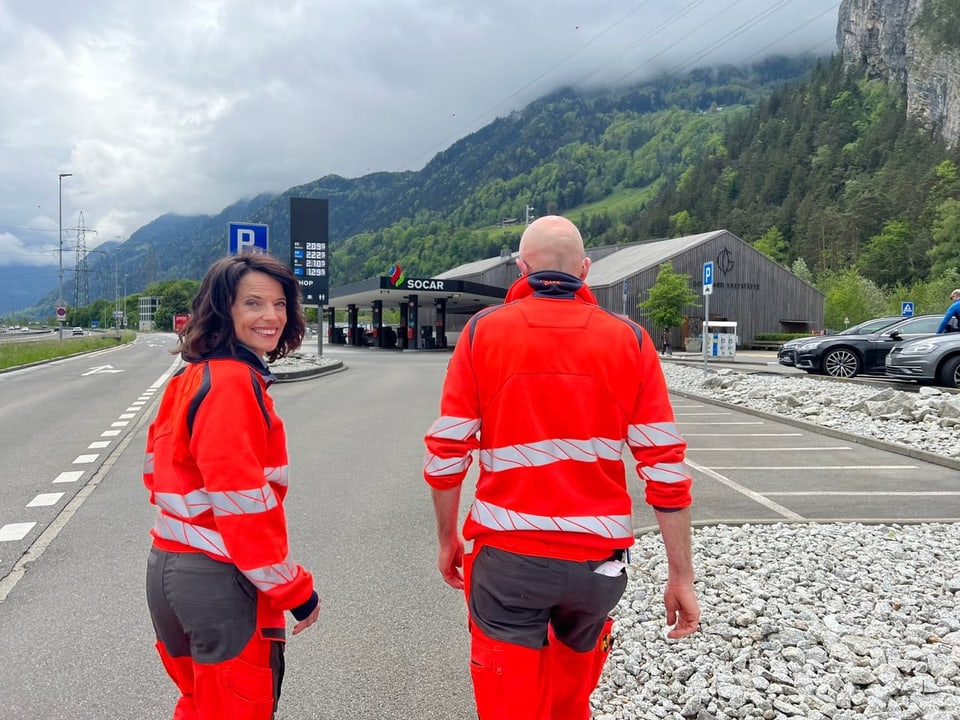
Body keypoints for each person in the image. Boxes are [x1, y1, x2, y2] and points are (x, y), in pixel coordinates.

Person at [423, 216, 700, 720]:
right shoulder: (631, 341)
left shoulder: (483, 332)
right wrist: (681, 575)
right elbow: (664, 468)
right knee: (570, 702)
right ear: (586, 270)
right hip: (597, 566)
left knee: (510, 706)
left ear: (521, 269)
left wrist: (448, 540)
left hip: (508, 558)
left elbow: (446, 455)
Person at [144, 253, 320, 720]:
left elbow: (155, 473)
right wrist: (296, 591)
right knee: (238, 707)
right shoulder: (231, 383)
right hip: (217, 579)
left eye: (280, 304)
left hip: (168, 569)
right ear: (224, 310)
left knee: (200, 704)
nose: (272, 317)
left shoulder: (187, 377)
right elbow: (243, 508)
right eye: (253, 303)